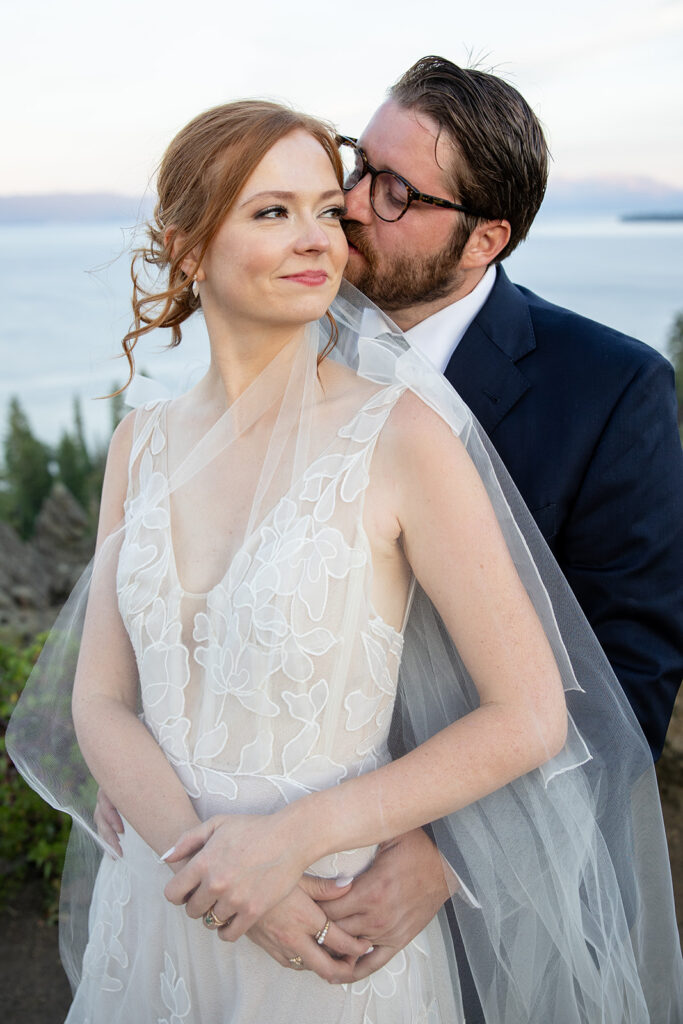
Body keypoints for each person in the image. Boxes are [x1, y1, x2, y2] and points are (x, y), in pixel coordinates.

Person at [8, 99, 682, 1022]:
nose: (338, 224)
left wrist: (302, 846)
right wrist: (194, 855)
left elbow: (550, 707)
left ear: (486, 238)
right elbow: (102, 700)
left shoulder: (409, 432)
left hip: (342, 910)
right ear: (186, 248)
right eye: (279, 209)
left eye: (331, 207)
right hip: (164, 904)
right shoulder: (140, 443)